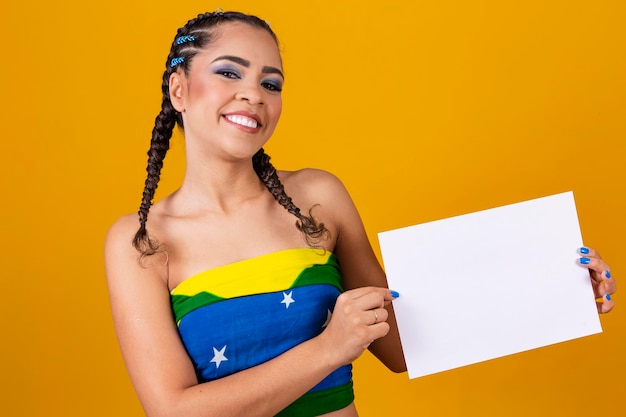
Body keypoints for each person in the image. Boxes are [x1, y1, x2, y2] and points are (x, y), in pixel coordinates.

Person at [104, 10, 616, 417]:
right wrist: (329, 349)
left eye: (271, 82)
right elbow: (173, 411)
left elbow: (400, 348)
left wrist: (556, 295)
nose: (253, 94)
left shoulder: (318, 197)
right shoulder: (142, 241)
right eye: (229, 72)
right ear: (178, 90)